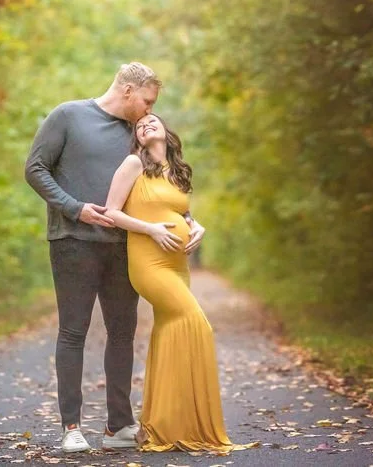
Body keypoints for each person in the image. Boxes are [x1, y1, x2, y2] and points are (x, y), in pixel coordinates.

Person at [24, 63, 207, 453]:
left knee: (123, 333)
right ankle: (71, 427)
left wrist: (190, 220)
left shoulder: (141, 133)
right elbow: (35, 169)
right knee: (73, 331)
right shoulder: (69, 115)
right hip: (73, 239)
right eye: (146, 100)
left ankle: (118, 426)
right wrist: (74, 207)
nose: (149, 110)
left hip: (127, 246)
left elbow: (162, 186)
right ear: (128, 91)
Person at [101, 113, 250, 454]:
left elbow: (180, 212)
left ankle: (168, 425)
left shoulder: (178, 171)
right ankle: (188, 421)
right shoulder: (132, 164)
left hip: (177, 262)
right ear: (136, 139)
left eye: (152, 120)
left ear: (166, 131)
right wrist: (152, 229)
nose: (145, 124)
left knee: (170, 331)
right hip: (148, 261)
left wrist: (197, 226)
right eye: (139, 125)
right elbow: (111, 212)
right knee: (196, 323)